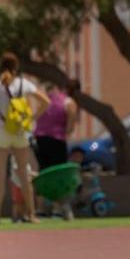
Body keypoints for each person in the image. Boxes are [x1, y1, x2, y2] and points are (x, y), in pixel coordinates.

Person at [0, 51, 49, 223]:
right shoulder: (24, 84)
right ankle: (31, 214)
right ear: (16, 67)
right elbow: (46, 102)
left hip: (2, 131)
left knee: (0, 175)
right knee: (24, 174)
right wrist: (31, 118)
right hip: (20, 132)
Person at [33, 79, 80, 219]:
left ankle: (40, 208)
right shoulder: (70, 103)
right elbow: (70, 127)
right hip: (57, 140)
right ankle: (57, 209)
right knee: (58, 173)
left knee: (43, 171)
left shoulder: (49, 97)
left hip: (40, 138)